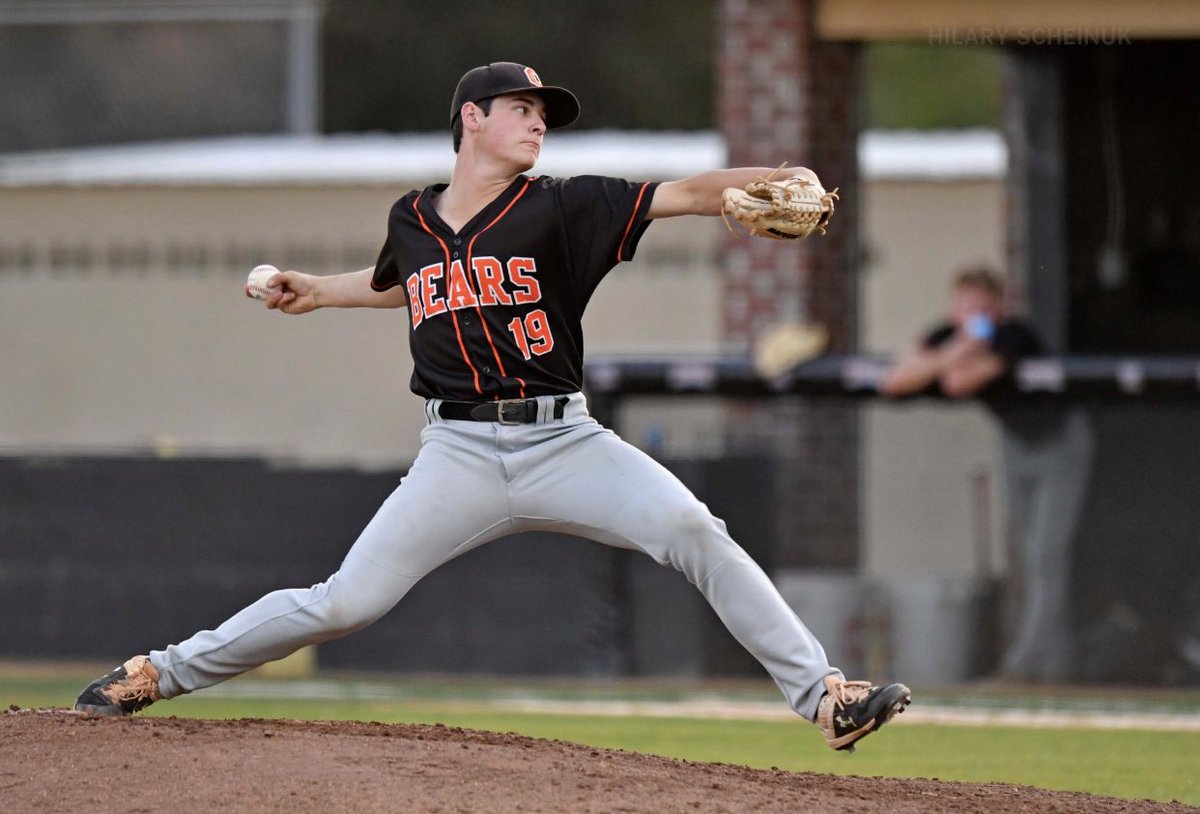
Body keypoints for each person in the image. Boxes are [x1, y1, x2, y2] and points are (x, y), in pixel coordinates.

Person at [74, 62, 910, 750]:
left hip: (566, 440)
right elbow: (400, 285)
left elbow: (685, 193)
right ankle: (159, 671)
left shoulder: (564, 204)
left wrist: (768, 180)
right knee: (344, 603)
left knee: (695, 531)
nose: (539, 122)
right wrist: (313, 292)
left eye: (544, 113)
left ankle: (826, 697)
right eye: (521, 108)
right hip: (459, 455)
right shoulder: (410, 216)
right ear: (472, 117)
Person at [881, 266, 1093, 681]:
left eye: (981, 307)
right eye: (964, 306)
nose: (971, 314)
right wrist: (958, 345)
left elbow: (961, 381)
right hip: (1016, 446)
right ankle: (1054, 661)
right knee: (1025, 553)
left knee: (1045, 555)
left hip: (1059, 442)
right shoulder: (951, 335)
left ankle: (1025, 665)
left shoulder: (1014, 335)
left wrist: (955, 352)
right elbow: (896, 380)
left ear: (998, 309)